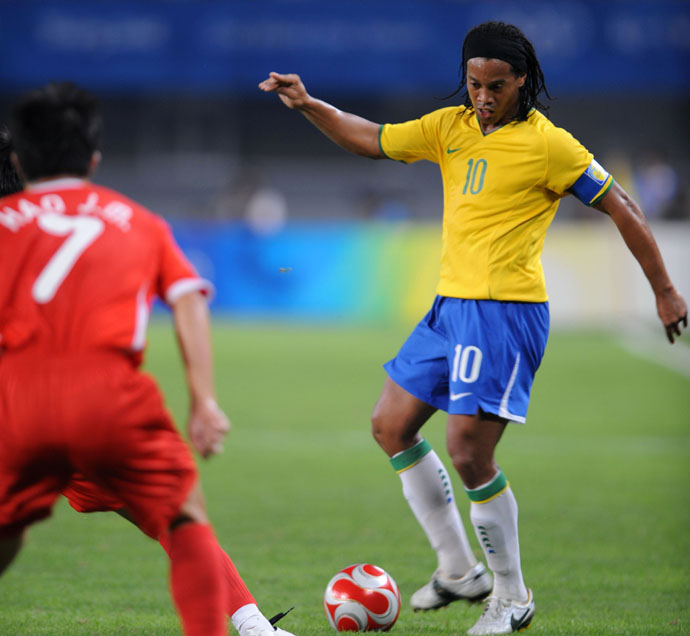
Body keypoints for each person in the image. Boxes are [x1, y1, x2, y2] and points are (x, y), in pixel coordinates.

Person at [259, 20, 688, 636]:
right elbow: (370, 138)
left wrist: (665, 290)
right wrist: (307, 104)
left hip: (504, 313)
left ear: (523, 81)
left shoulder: (550, 145)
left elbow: (622, 205)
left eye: (496, 86)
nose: (483, 97)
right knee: (390, 425)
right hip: (450, 308)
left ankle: (512, 596)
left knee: (468, 451)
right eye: (474, 83)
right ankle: (459, 569)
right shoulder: (449, 127)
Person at [0, 84, 295, 636]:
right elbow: (189, 299)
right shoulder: (133, 219)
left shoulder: (8, 224)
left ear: (21, 159)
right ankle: (254, 627)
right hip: (106, 408)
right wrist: (203, 401)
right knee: (181, 520)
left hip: (17, 407)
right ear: (93, 159)